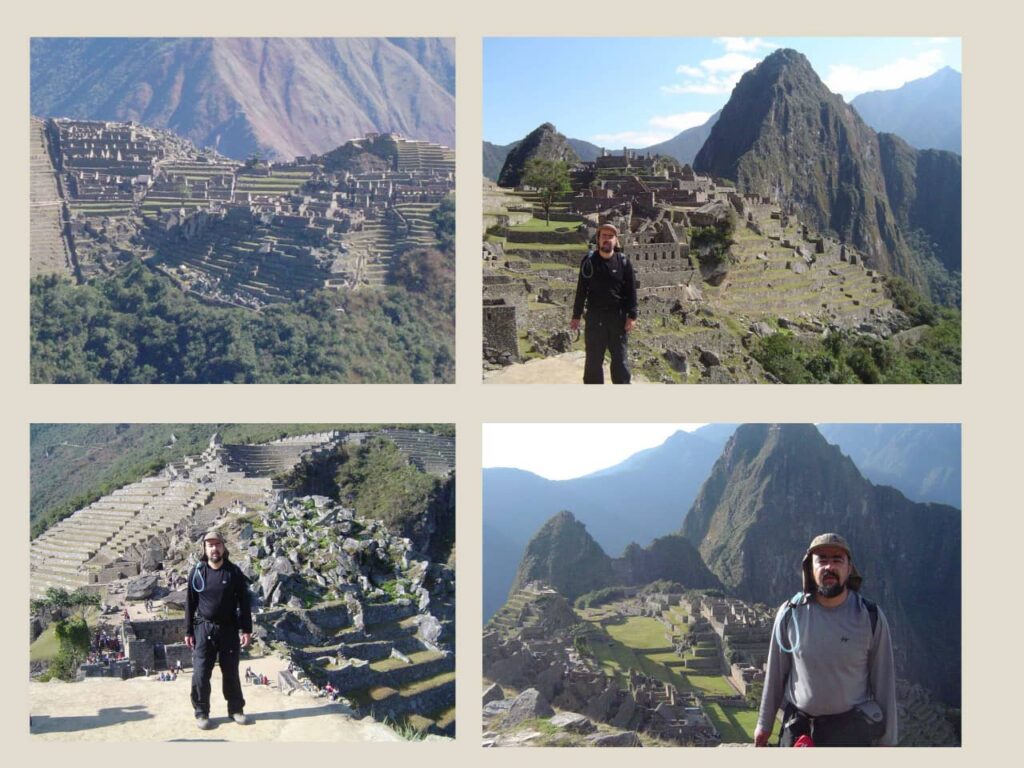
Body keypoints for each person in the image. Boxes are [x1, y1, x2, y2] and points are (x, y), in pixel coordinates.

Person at [755, 533, 898, 747]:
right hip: (799, 731)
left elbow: (884, 684)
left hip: (851, 734)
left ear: (849, 568)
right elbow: (775, 675)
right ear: (810, 569)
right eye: (821, 560)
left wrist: (888, 742)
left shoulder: (870, 616)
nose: (829, 567)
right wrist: (764, 727)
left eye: (837, 560)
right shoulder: (790, 614)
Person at [185, 529, 253, 730]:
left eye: (217, 544)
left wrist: (246, 630)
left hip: (229, 629)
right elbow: (190, 603)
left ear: (223, 547)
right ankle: (201, 713)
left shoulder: (234, 572)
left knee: (231, 671)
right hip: (203, 628)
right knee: (200, 673)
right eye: (210, 545)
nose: (214, 548)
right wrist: (188, 631)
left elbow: (244, 603)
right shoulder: (197, 572)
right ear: (204, 549)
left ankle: (236, 710)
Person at [570, 222, 638, 384]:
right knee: (593, 363)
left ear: (615, 240)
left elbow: (631, 291)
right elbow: (581, 290)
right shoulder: (588, 262)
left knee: (620, 362)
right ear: (598, 239)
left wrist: (632, 316)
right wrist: (576, 316)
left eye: (610, 236)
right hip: (595, 318)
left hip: (618, 319)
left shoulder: (624, 262)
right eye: (604, 236)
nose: (607, 239)